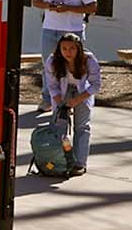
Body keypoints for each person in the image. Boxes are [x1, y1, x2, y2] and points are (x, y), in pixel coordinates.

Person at [41, 34, 102, 177]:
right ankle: (60, 161)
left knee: (82, 127)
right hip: (62, 93)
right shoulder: (52, 61)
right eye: (64, 48)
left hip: (83, 92)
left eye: (72, 48)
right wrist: (60, 103)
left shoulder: (89, 60)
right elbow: (52, 85)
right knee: (59, 127)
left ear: (79, 49)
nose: (68, 52)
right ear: (59, 49)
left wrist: (78, 100)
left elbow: (96, 85)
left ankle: (79, 163)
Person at [30, 0, 97, 69]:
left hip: (72, 30)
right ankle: (48, 86)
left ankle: (72, 86)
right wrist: (49, 6)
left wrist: (68, 8)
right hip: (49, 29)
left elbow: (92, 7)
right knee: (48, 65)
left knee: (72, 65)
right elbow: (35, 1)